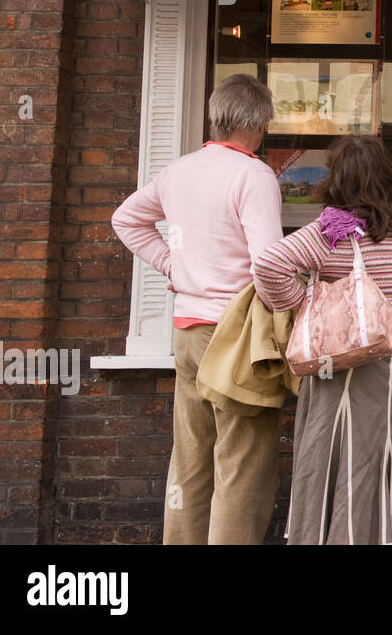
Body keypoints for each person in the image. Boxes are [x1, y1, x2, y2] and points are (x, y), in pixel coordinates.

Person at [111, 74, 284, 544]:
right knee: (242, 463)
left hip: (187, 332)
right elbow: (269, 264)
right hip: (237, 335)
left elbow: (126, 218)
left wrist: (173, 264)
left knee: (189, 458)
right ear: (260, 121)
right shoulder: (254, 175)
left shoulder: (178, 171)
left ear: (217, 115)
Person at [252, 134, 392, 545]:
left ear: (337, 179)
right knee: (386, 468)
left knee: (336, 467)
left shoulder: (334, 231)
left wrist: (298, 304)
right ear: (388, 178)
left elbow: (268, 265)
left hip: (338, 367)